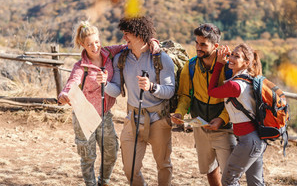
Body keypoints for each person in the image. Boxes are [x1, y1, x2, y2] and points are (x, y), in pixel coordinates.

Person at [57, 20, 159, 186]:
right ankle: (90, 184)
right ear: (82, 44)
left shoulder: (109, 53)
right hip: (84, 115)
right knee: (88, 155)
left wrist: (151, 41)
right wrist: (64, 95)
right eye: (89, 44)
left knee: (111, 152)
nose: (95, 47)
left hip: (105, 114)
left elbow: (129, 44)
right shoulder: (80, 66)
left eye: (97, 42)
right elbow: (72, 83)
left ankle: (103, 182)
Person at [98, 16, 175, 186]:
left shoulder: (161, 59)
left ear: (139, 35)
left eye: (127, 34)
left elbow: (169, 91)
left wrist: (152, 87)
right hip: (132, 120)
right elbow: (116, 90)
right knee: (129, 169)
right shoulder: (121, 59)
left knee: (163, 165)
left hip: (159, 120)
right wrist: (105, 84)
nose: (124, 38)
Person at [172, 23, 236, 186]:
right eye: (196, 43)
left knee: (230, 173)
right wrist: (180, 112)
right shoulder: (191, 65)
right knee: (209, 169)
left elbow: (234, 100)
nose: (198, 48)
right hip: (200, 127)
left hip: (225, 128)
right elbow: (185, 95)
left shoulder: (228, 68)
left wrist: (221, 119)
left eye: (203, 44)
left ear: (216, 46)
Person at [208, 43, 267, 186]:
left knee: (228, 180)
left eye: (237, 56)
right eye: (231, 54)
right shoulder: (249, 79)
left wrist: (218, 65)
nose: (232, 58)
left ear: (246, 63)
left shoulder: (235, 86)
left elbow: (211, 92)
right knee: (256, 183)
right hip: (257, 140)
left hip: (248, 141)